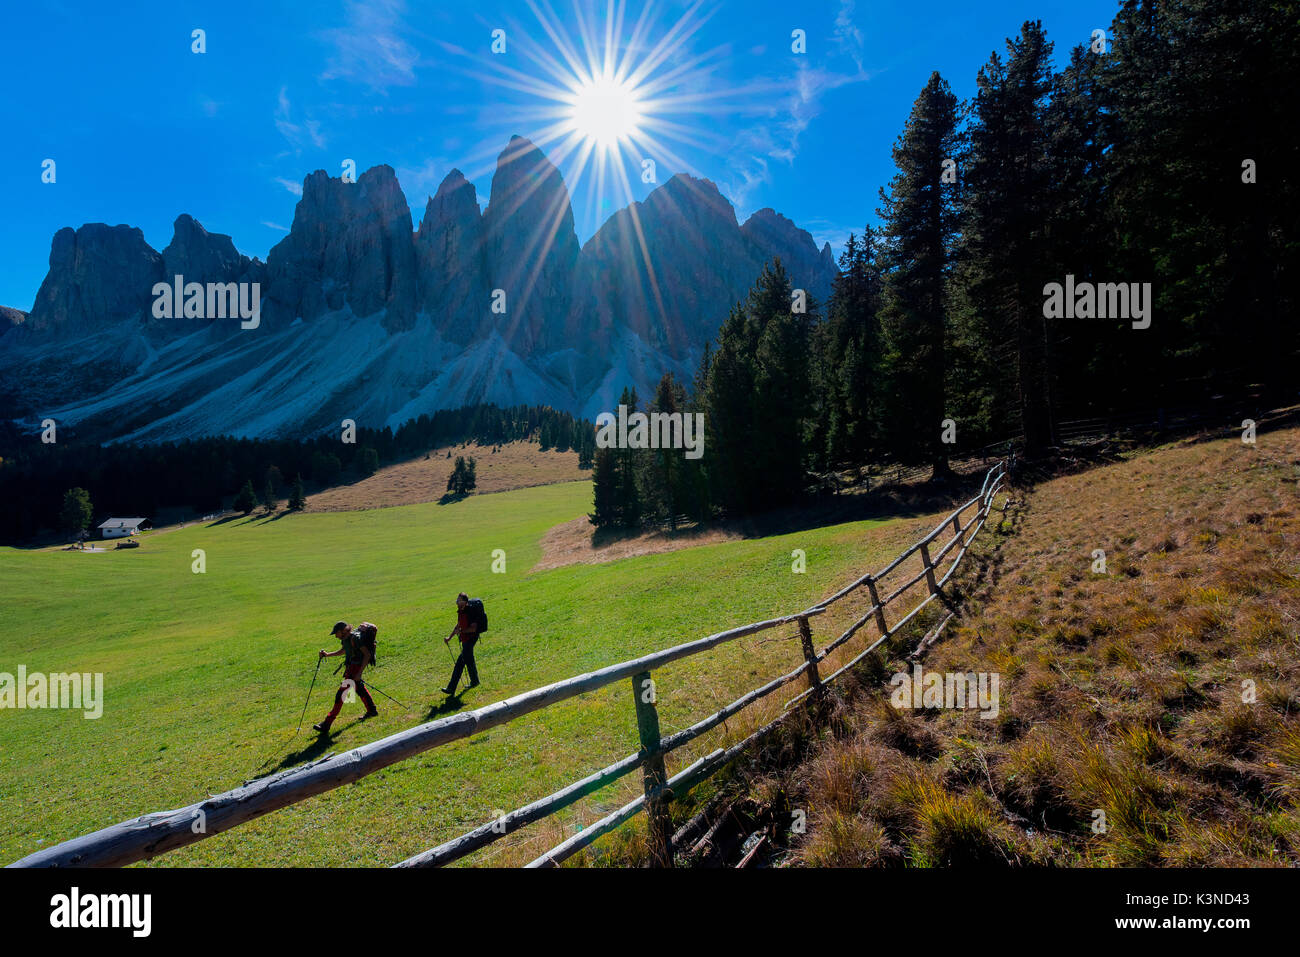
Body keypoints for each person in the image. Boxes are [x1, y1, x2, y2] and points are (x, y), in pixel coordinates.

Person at [314, 621, 378, 733]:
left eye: (336, 633)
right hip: (351, 668)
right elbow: (344, 651)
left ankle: (326, 724)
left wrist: (359, 673)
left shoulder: (355, 639)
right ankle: (372, 710)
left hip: (355, 668)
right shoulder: (346, 639)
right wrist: (328, 654)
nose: (335, 636)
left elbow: (367, 655)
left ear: (342, 631)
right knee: (359, 689)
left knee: (341, 695)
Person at [441, 593, 480, 696]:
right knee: (469, 660)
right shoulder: (461, 611)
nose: (456, 602)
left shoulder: (470, 612)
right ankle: (475, 681)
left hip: (471, 639)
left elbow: (474, 628)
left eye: (458, 600)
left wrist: (462, 632)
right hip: (465, 639)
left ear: (464, 602)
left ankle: (451, 688)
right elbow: (458, 625)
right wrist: (449, 637)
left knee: (460, 663)